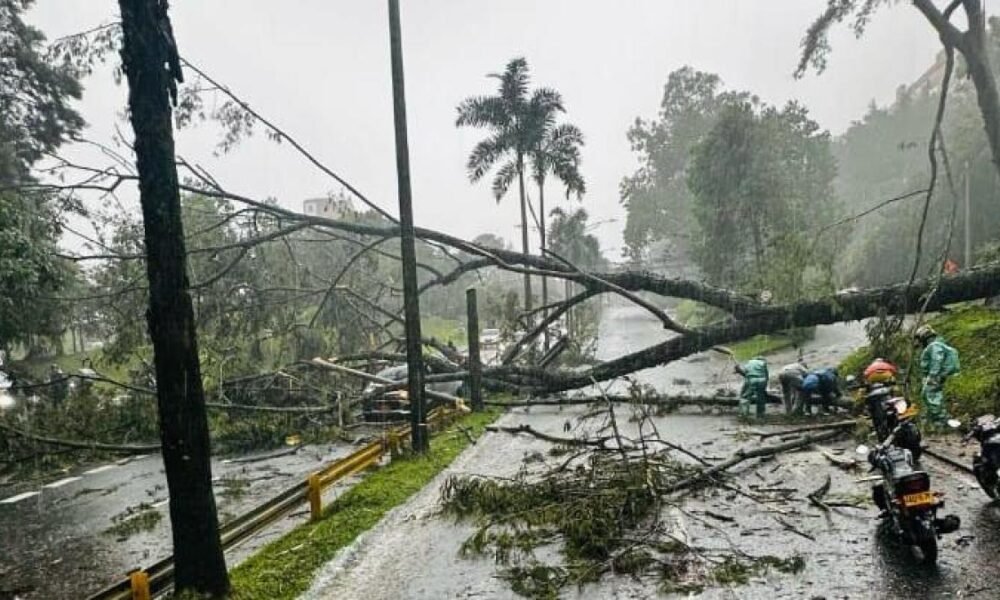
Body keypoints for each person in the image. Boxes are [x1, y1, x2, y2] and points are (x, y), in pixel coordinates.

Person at [916, 325, 960, 426]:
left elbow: (937, 360)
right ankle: (936, 419)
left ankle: (941, 420)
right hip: (941, 374)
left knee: (929, 394)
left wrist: (933, 375)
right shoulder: (938, 344)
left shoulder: (934, 345)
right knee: (932, 395)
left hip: (937, 375)